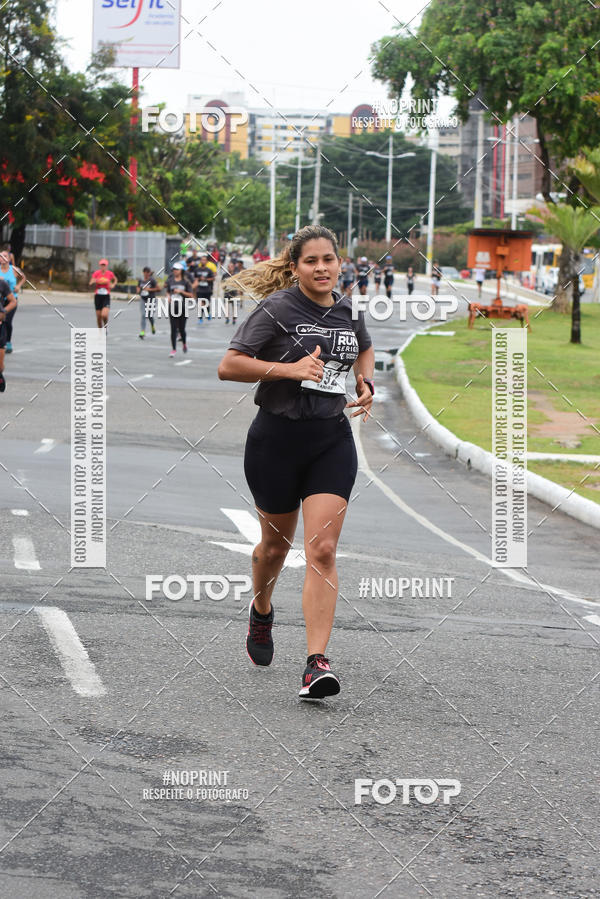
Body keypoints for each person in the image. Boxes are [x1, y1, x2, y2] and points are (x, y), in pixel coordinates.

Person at [218, 225, 374, 699]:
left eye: (329, 259)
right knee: (273, 548)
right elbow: (230, 365)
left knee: (322, 549)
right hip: (276, 441)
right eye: (311, 261)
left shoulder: (348, 310)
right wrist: (288, 368)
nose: (322, 267)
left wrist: (366, 383)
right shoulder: (277, 309)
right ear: (295, 268)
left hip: (330, 438)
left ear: (339, 263)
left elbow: (363, 348)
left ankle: (316, 663)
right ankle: (262, 610)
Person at [165, 262, 194, 356]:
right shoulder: (170, 280)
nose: (175, 271)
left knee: (181, 329)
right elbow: (168, 292)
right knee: (173, 329)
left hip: (183, 308)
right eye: (173, 269)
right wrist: (168, 296)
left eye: (176, 270)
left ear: (181, 271)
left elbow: (190, 295)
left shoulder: (185, 282)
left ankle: (184, 344)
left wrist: (181, 291)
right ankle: (173, 349)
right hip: (172, 307)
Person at [0, 250, 25, 353]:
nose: (2, 258)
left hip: (12, 300)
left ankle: (8, 342)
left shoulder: (14, 269)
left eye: (5, 256)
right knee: (1, 322)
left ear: (9, 258)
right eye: (1, 256)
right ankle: (2, 342)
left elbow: (24, 277)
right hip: (1, 301)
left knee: (7, 321)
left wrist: (18, 286)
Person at [0, 278, 18, 392]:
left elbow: (13, 301)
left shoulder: (2, 283)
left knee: (0, 365)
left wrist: (3, 312)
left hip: (0, 327)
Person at [89, 259, 117, 328]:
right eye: (102, 265)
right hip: (98, 296)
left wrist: (113, 285)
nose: (103, 267)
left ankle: (105, 326)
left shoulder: (109, 273)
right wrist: (96, 281)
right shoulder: (96, 273)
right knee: (99, 316)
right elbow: (91, 282)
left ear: (106, 266)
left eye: (104, 265)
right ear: (100, 266)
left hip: (106, 296)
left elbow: (115, 279)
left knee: (104, 315)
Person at [138, 266, 160, 339]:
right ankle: (142, 331)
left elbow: (159, 289)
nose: (146, 274)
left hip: (151, 300)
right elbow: (138, 287)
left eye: (148, 273)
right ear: (143, 272)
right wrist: (138, 290)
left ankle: (152, 325)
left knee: (150, 316)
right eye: (145, 272)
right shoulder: (141, 280)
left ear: (149, 273)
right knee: (143, 315)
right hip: (143, 299)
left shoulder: (152, 280)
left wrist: (149, 289)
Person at [195, 254, 215, 323]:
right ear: (200, 261)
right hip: (199, 290)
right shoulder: (197, 270)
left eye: (204, 260)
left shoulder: (209, 270)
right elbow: (194, 279)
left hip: (207, 290)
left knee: (206, 303)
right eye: (202, 260)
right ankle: (200, 318)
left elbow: (213, 278)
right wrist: (199, 279)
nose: (203, 261)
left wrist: (205, 279)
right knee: (201, 304)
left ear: (206, 262)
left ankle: (207, 313)